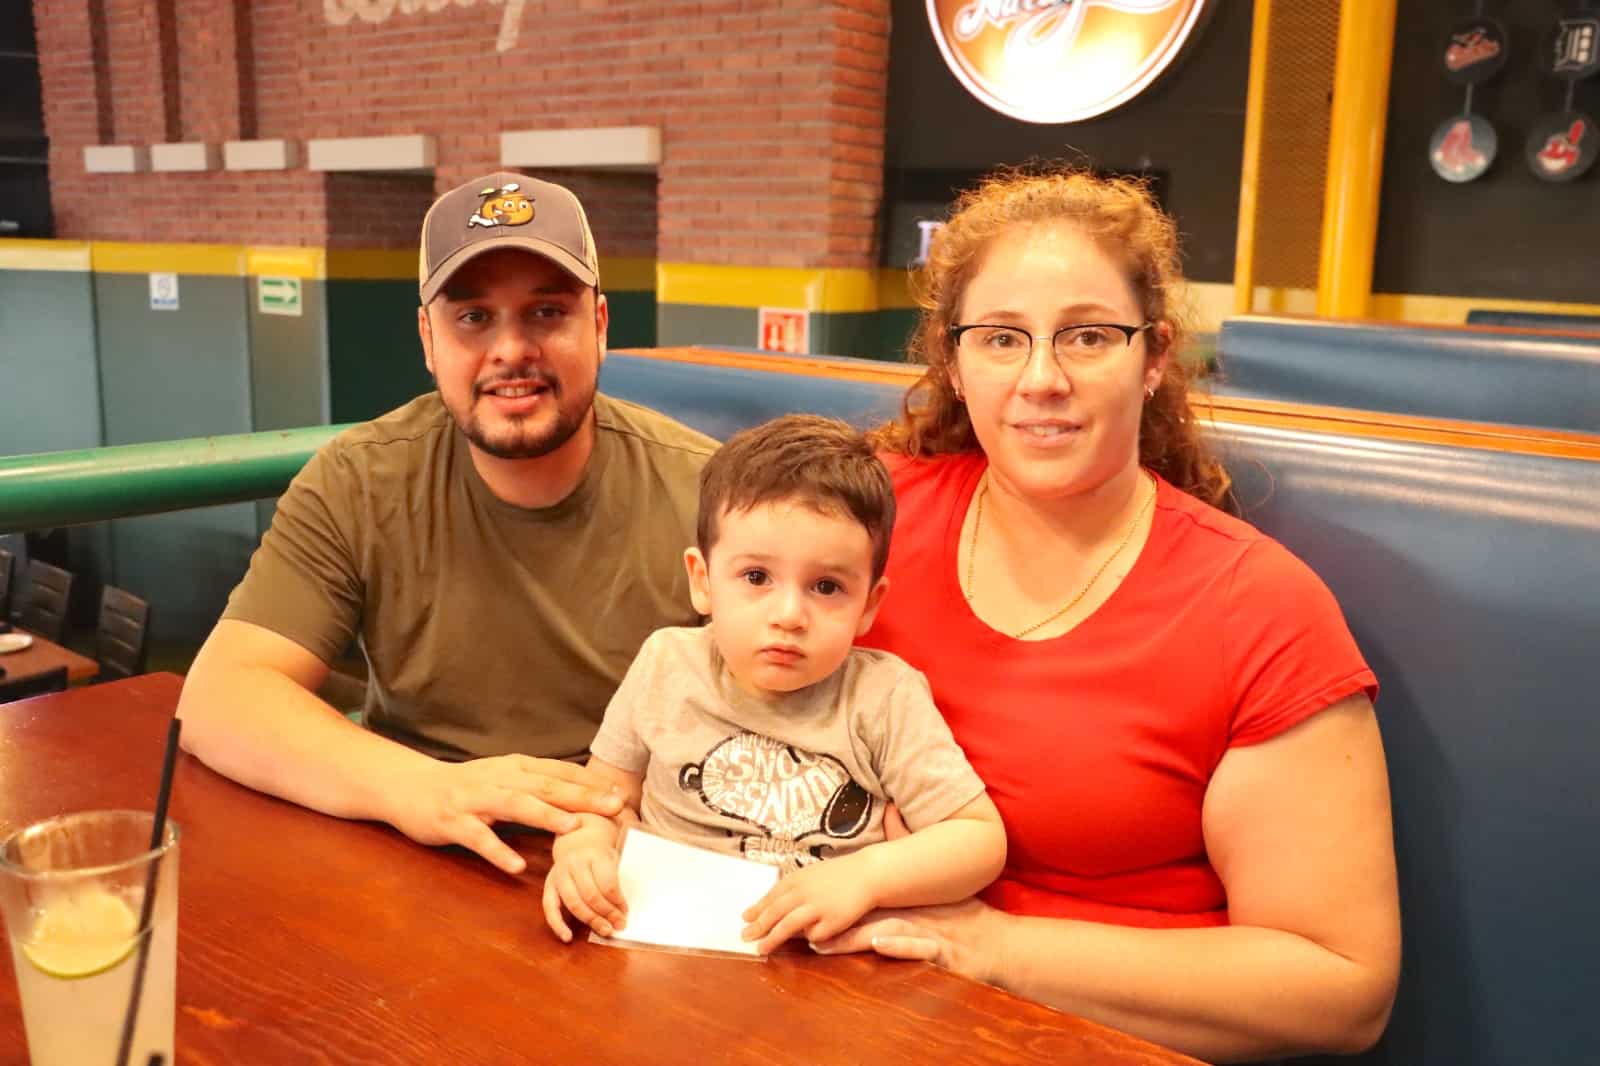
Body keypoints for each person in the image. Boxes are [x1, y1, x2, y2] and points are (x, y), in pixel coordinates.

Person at [809, 169, 1401, 1063]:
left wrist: (990, 947)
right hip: (836, 1008)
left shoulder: (1259, 607)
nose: (1041, 379)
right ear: (954, 363)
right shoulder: (859, 522)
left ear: (1154, 356)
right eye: (1001, 339)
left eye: (1087, 336)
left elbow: (1339, 986)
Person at [176, 172, 717, 875]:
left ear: (601, 326)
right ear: (429, 339)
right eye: (473, 318)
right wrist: (424, 789)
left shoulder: (711, 490)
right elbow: (220, 696)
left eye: (548, 313)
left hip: (642, 859)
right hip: (425, 853)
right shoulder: (360, 480)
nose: (511, 349)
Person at [541, 415, 1007, 954]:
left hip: (818, 965)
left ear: (868, 606)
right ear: (702, 580)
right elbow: (603, 797)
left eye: (826, 587)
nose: (789, 614)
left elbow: (978, 840)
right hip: (660, 939)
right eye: (757, 578)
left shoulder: (885, 697)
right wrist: (584, 850)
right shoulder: (666, 664)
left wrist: (866, 877)